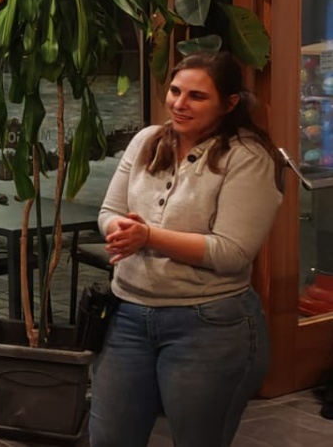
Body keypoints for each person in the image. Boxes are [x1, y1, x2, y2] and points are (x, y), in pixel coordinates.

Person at [89, 52, 281, 446]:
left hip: (208, 324)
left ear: (229, 103)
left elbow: (231, 252)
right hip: (129, 315)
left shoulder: (247, 157)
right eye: (175, 91)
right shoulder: (146, 140)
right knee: (109, 438)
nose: (179, 103)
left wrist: (148, 237)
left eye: (197, 96)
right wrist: (120, 229)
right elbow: (108, 212)